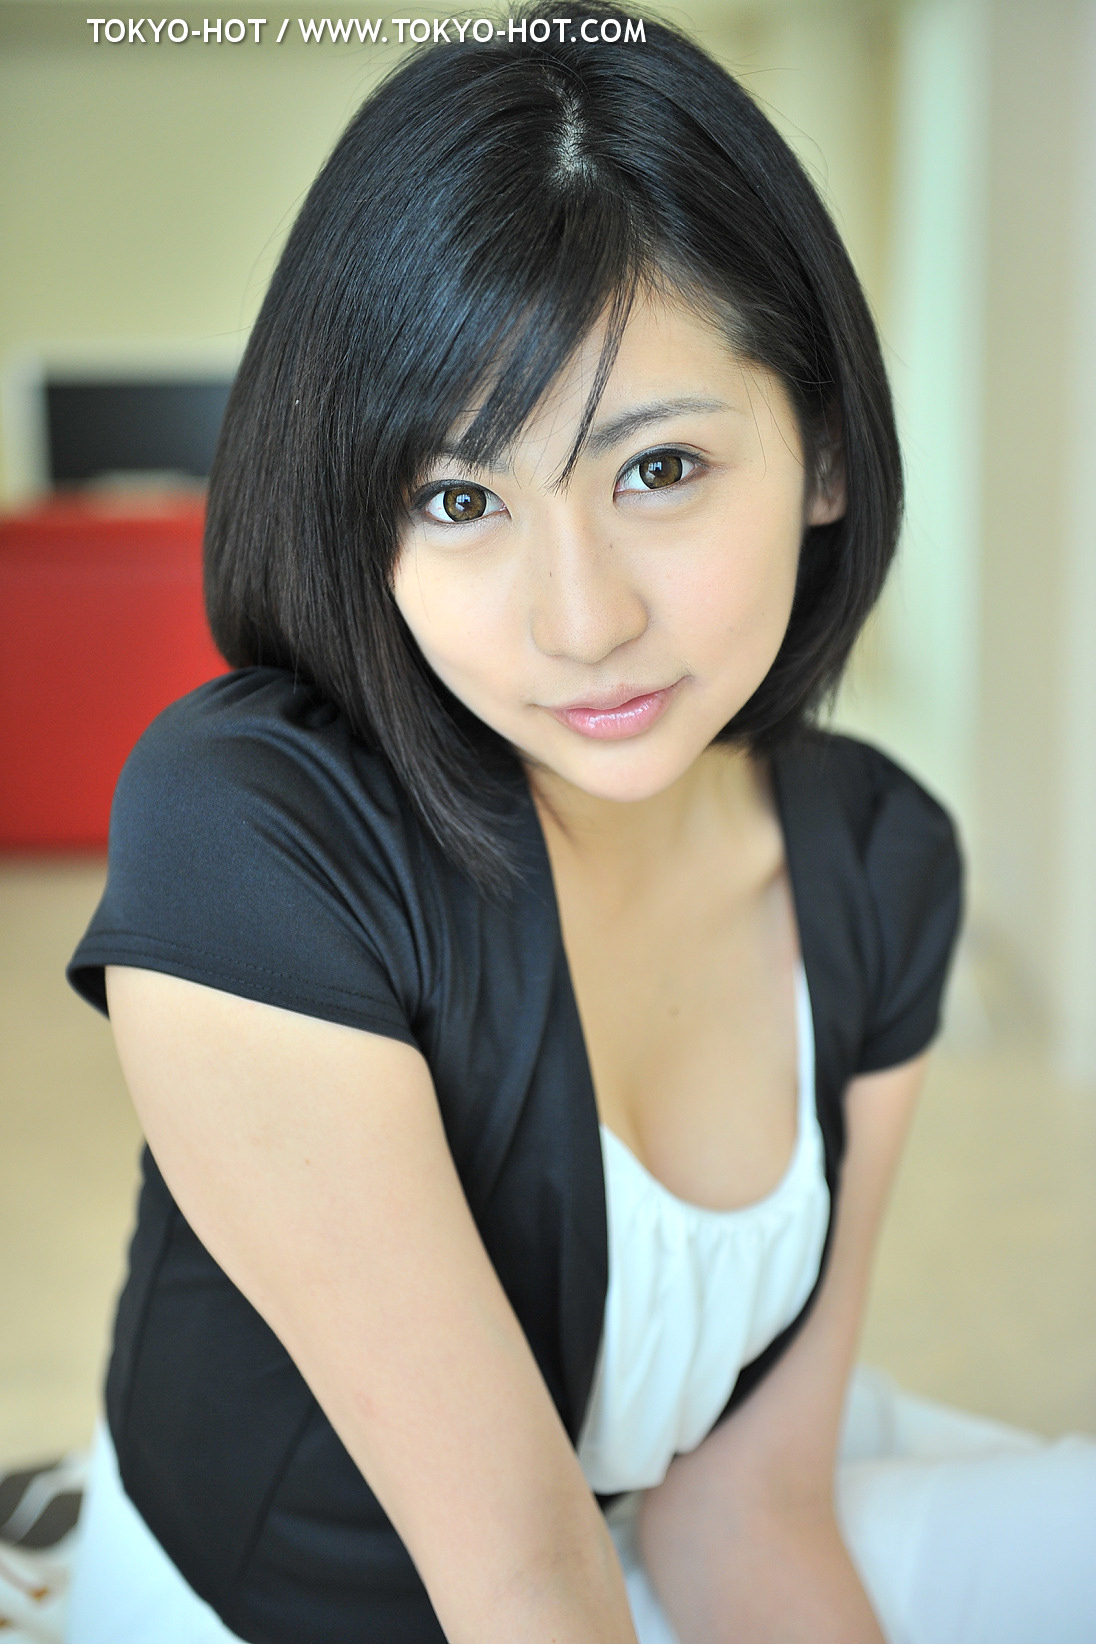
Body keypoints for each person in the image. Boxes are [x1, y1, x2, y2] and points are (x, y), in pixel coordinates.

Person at [64, 8, 1096, 1643]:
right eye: (460, 499)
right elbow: (524, 1586)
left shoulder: (878, 859)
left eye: (660, 468)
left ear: (826, 453)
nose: (581, 620)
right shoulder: (251, 835)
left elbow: (747, 1505)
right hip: (305, 1611)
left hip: (655, 1507)